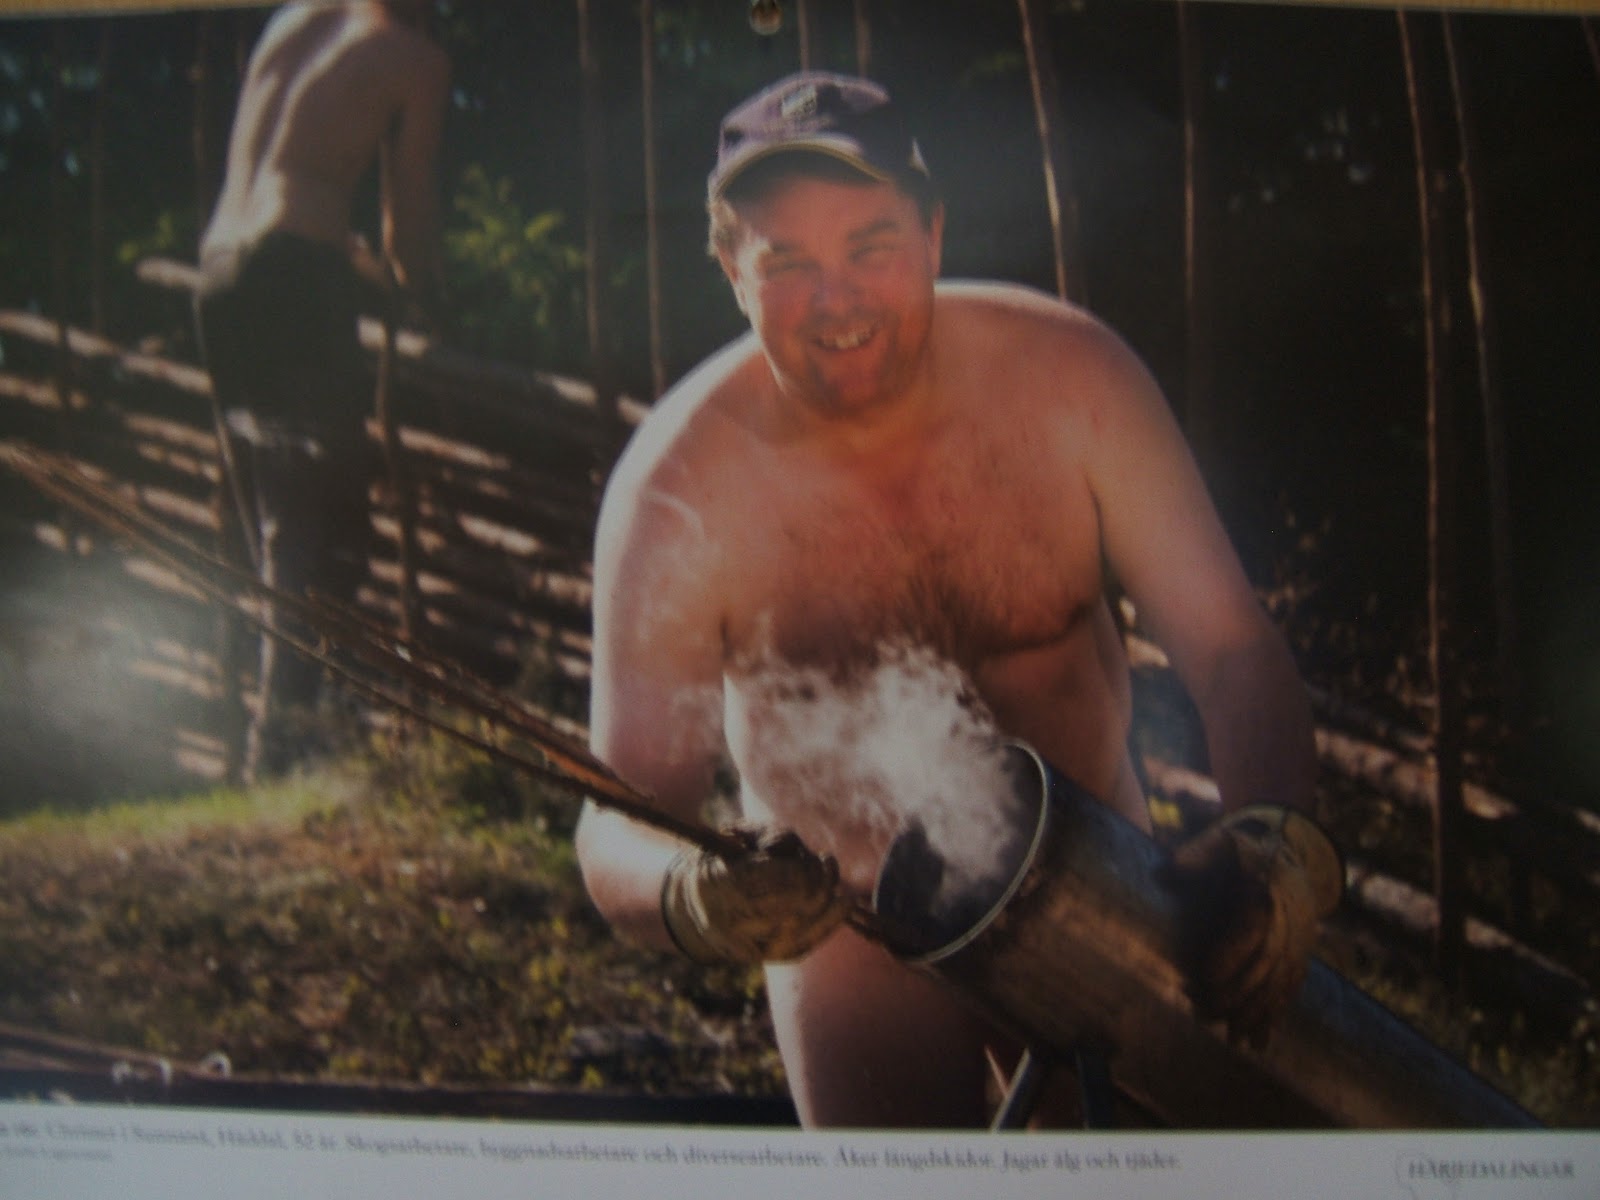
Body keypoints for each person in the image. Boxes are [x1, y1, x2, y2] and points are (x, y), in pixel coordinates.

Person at [574, 72, 1341, 1128]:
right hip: (852, 941)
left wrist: (1274, 845)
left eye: (869, 246)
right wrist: (693, 893)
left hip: (1104, 896)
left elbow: (1232, 653)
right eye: (786, 262)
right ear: (729, 271)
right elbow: (616, 821)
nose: (836, 299)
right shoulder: (676, 494)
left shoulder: (1073, 382)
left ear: (933, 234)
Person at [193, 1, 449, 780]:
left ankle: (278, 728)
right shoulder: (414, 59)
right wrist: (415, 285)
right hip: (297, 275)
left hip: (221, 272)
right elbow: (409, 216)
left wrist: (350, 264)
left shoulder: (290, 20)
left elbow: (282, 172)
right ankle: (281, 748)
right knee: (310, 518)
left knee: (265, 508)